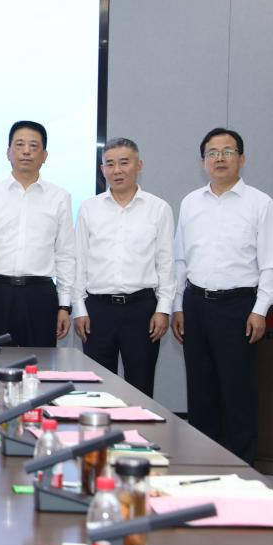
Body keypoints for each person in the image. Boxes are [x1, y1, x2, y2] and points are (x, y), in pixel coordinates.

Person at [172, 127, 273, 463]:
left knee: (238, 390)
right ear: (202, 161)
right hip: (195, 305)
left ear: (242, 158)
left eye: (228, 151)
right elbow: (180, 259)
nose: (219, 158)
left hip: (239, 307)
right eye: (212, 153)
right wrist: (177, 306)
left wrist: (260, 309)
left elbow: (271, 263)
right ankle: (203, 463)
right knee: (200, 389)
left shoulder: (260, 203)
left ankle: (242, 466)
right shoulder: (190, 202)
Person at [72, 138, 174, 397]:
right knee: (96, 389)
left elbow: (165, 264)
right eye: (110, 164)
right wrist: (79, 308)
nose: (117, 170)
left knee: (140, 387)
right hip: (97, 311)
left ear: (139, 165)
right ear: (102, 169)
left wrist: (163, 309)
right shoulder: (89, 208)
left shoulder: (158, 208)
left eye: (124, 163)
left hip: (142, 311)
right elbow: (79, 261)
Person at [0, 120, 75, 347]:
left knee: (40, 363)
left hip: (41, 295)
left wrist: (64, 305)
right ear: (8, 152)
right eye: (19, 145)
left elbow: (66, 254)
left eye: (34, 146)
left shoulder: (60, 197)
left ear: (44, 155)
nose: (26, 151)